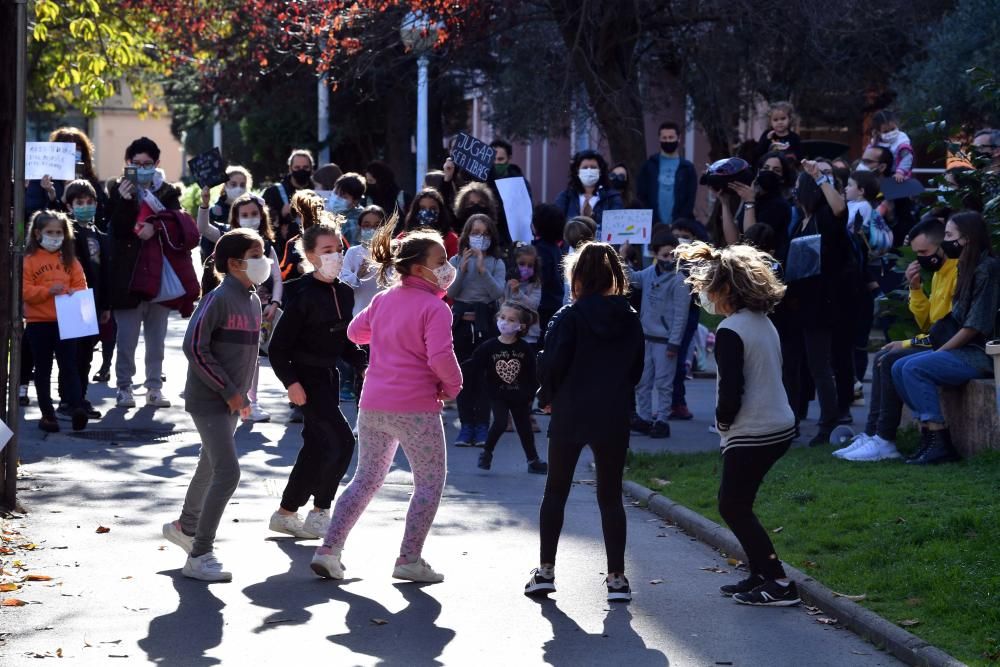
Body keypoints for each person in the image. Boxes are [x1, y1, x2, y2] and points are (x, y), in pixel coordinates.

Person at [310, 223, 462, 583]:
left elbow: (355, 333)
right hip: (417, 409)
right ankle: (409, 558)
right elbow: (441, 355)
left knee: (365, 478)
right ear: (416, 267)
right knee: (428, 482)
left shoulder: (383, 300)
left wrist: (389, 331)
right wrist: (453, 385)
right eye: (440, 260)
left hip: (374, 405)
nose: (446, 267)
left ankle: (328, 550)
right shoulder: (435, 309)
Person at [675, 241, 800, 607]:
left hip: (753, 429)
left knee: (733, 506)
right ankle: (760, 572)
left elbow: (731, 387)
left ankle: (778, 581)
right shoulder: (761, 322)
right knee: (738, 503)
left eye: (708, 288)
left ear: (726, 289)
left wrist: (722, 421)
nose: (706, 296)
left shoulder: (731, 330)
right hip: (777, 424)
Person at [525, 241, 643, 602]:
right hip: (612, 412)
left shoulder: (568, 316)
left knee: (556, 490)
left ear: (575, 277)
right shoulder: (629, 317)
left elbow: (552, 363)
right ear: (614, 276)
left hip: (571, 411)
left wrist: (546, 398)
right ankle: (617, 578)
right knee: (610, 495)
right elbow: (636, 368)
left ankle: (545, 571)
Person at [161, 229, 265, 581]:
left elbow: (247, 355)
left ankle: (186, 526)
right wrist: (228, 390)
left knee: (209, 466)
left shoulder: (253, 299)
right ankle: (200, 554)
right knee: (227, 472)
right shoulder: (218, 298)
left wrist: (243, 395)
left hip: (231, 400)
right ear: (235, 263)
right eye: (256, 253)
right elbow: (195, 348)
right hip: (209, 400)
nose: (263, 261)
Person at [267, 222, 368, 538]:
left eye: (338, 249)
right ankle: (320, 510)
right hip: (306, 380)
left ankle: (285, 513)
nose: (335, 256)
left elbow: (344, 340)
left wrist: (364, 363)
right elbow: (278, 348)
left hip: (330, 377)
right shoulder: (299, 293)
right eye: (327, 251)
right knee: (342, 442)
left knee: (314, 447)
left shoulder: (343, 291)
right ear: (310, 256)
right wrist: (291, 383)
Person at [834, 218, 957, 462]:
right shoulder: (938, 274)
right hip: (939, 341)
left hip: (952, 346)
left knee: (892, 358)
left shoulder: (956, 272)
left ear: (941, 246)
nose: (920, 258)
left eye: (924, 252)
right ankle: (873, 434)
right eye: (917, 253)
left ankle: (885, 438)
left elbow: (943, 334)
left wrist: (907, 344)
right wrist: (915, 288)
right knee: (883, 355)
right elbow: (928, 323)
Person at [891, 212, 1000, 465]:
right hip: (961, 347)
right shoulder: (964, 266)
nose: (946, 241)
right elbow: (940, 323)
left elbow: (974, 326)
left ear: (968, 239)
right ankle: (929, 434)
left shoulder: (988, 269)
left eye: (950, 236)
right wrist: (915, 289)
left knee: (914, 367)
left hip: (980, 353)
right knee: (898, 366)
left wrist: (940, 353)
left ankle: (939, 440)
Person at [106, 136, 186, 410]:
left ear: (156, 164)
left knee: (156, 339)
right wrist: (126, 201)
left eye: (147, 164)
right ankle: (124, 388)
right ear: (128, 163)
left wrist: (157, 227)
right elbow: (115, 230)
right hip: (127, 277)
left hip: (158, 275)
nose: (142, 168)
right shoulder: (115, 190)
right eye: (136, 163)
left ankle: (154, 387)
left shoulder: (168, 192)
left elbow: (178, 226)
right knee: (126, 338)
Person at [780, 160, 856, 444]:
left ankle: (828, 423)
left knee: (819, 365)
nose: (794, 193)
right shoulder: (800, 222)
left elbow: (840, 209)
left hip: (819, 305)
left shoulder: (825, 217)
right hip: (797, 304)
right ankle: (791, 419)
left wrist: (820, 177)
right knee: (793, 365)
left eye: (799, 188)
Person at [198, 189, 284, 422]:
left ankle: (251, 401)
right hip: (233, 307)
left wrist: (274, 303)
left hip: (261, 307)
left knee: (252, 355)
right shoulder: (228, 240)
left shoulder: (267, 245)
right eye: (244, 214)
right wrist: (204, 205)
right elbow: (204, 229)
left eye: (254, 213)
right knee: (229, 353)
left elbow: (277, 278)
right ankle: (230, 396)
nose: (250, 217)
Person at [22, 211, 90, 433]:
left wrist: (72, 292)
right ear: (37, 233)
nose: (54, 236)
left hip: (66, 320)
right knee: (43, 368)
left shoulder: (70, 260)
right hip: (38, 321)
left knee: (69, 365)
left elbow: (81, 285)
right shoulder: (29, 260)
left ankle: (76, 406)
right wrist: (46, 291)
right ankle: (48, 414)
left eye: (58, 232)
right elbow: (24, 290)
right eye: (49, 232)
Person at [464, 302, 547, 474]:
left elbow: (533, 373)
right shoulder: (489, 347)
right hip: (497, 395)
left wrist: (532, 394)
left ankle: (533, 460)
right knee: (500, 422)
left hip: (520, 396)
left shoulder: (524, 348)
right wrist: (452, 370)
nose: (504, 322)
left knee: (524, 427)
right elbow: (474, 364)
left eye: (510, 320)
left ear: (520, 326)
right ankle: (486, 453)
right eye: (502, 317)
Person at [448, 214, 506, 446]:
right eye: (475, 233)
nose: (479, 238)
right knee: (463, 376)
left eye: (484, 233)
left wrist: (483, 269)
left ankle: (482, 425)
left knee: (483, 378)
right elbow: (451, 293)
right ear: (466, 235)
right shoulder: (455, 259)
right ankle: (466, 425)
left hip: (486, 323)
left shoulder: (496, 263)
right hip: (462, 323)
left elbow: (497, 293)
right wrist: (461, 269)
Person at [625, 231, 690, 439]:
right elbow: (631, 279)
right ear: (654, 254)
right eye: (665, 255)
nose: (670, 259)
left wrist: (674, 342)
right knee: (643, 381)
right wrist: (622, 258)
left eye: (673, 255)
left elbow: (681, 314)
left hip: (665, 341)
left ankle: (662, 419)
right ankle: (644, 418)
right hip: (646, 337)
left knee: (664, 382)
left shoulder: (680, 280)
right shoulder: (649, 273)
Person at [61, 180, 112, 420]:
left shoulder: (99, 234)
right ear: (69, 206)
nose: (85, 206)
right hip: (74, 299)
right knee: (71, 355)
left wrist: (106, 305)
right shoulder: (67, 233)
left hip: (95, 299)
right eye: (79, 202)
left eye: (89, 202)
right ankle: (68, 400)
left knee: (87, 354)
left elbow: (105, 273)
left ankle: (81, 397)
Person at [26, 127, 109, 228]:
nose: (73, 153)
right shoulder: (42, 180)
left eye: (78, 149)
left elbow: (102, 214)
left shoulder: (90, 180)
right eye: (68, 149)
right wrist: (58, 199)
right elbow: (31, 214)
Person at [720, 152, 793, 262]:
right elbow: (733, 242)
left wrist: (749, 201)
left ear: (783, 178)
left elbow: (753, 241)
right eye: (766, 168)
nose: (769, 172)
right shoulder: (754, 199)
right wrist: (724, 203)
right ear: (758, 171)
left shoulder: (780, 205)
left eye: (776, 170)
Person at [636, 122, 698, 226]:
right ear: (659, 139)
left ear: (679, 138)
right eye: (664, 138)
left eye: (671, 137)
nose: (667, 141)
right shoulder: (648, 166)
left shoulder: (687, 168)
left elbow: (690, 200)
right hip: (652, 227)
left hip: (680, 228)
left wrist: (680, 223)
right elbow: (642, 196)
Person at [553, 149, 623, 232]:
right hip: (571, 244)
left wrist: (593, 218)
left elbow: (616, 227)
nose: (589, 171)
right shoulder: (566, 197)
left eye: (593, 168)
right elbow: (555, 225)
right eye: (585, 168)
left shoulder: (612, 198)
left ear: (600, 171)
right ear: (577, 171)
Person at [263, 149, 315, 257]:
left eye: (305, 168)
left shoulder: (319, 191)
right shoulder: (273, 192)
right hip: (283, 251)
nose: (301, 171)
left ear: (311, 168)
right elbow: (263, 224)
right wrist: (279, 215)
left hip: (314, 247)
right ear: (290, 169)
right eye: (297, 168)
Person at [530, 204, 567, 345]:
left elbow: (540, 280)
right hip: (554, 304)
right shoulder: (555, 248)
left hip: (542, 308)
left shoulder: (540, 250)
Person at [199, 166, 252, 263]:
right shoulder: (215, 212)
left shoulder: (251, 209)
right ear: (225, 185)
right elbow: (206, 244)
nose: (238, 189)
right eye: (233, 184)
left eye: (242, 185)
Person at [399, 188, 459, 257]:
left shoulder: (450, 239)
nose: (427, 212)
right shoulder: (404, 238)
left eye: (433, 208)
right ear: (415, 211)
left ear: (440, 211)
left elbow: (454, 264)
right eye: (422, 208)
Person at [869, 110, 915, 183]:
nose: (890, 133)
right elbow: (869, 157)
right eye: (885, 131)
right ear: (878, 132)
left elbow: (907, 157)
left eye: (893, 129)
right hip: (880, 177)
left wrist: (900, 172)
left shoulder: (902, 139)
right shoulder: (876, 141)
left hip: (898, 176)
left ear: (896, 125)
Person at [328, 172, 367, 247]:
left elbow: (352, 254)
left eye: (344, 197)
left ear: (355, 201)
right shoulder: (337, 215)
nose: (336, 198)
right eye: (336, 193)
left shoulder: (353, 223)